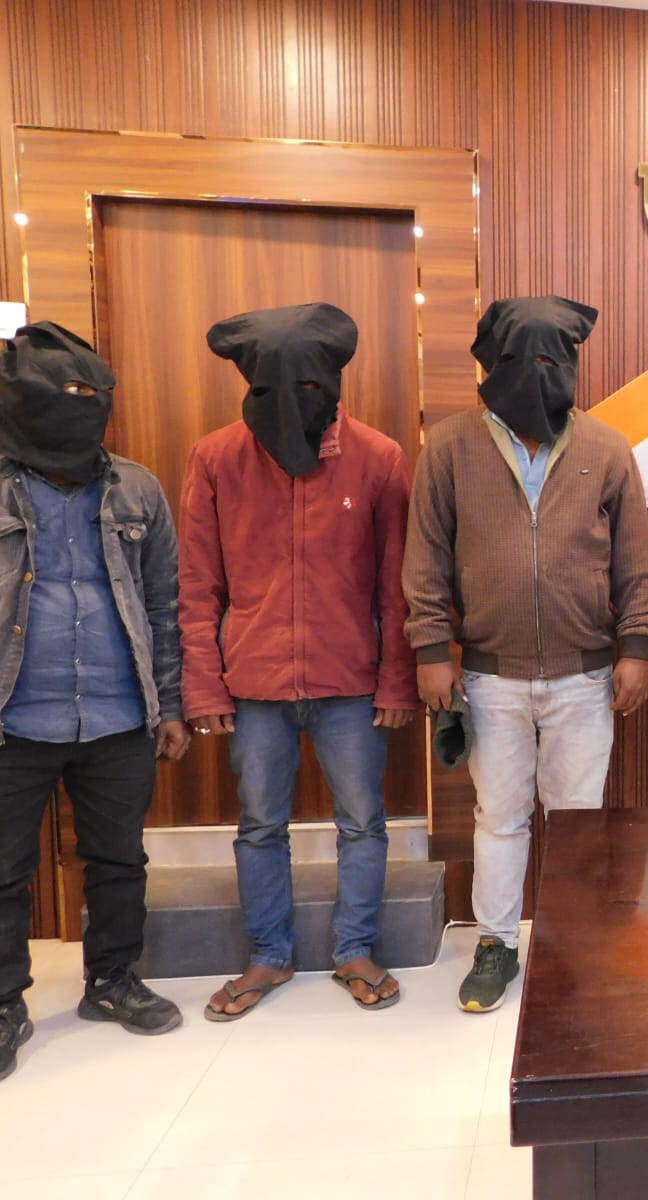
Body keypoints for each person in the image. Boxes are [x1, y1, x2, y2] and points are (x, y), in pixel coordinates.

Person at [405, 295, 648, 1014]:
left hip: (585, 675)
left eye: (552, 358)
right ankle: (495, 944)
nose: (535, 373)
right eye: (519, 359)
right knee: (499, 816)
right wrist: (431, 647)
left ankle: (570, 944)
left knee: (578, 820)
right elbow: (426, 556)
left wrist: (636, 645)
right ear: (490, 364)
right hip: (490, 675)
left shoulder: (606, 448)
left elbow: (634, 563)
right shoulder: (450, 447)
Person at [181, 302, 417, 1020]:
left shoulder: (378, 458)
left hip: (350, 679)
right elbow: (197, 582)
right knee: (258, 824)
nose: (289, 404)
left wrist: (396, 680)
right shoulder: (216, 458)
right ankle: (268, 954)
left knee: (362, 821)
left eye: (307, 388)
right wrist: (203, 686)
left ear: (331, 383)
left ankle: (355, 949)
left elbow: (398, 584)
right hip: (254, 682)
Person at [0, 322, 190, 1081]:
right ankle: (4, 1004)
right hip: (13, 717)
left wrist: (168, 705)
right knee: (3, 871)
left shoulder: (137, 488)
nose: (81, 406)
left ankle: (112, 980)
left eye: (92, 394)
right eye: (65, 394)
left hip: (118, 712)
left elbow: (164, 603)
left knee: (117, 860)